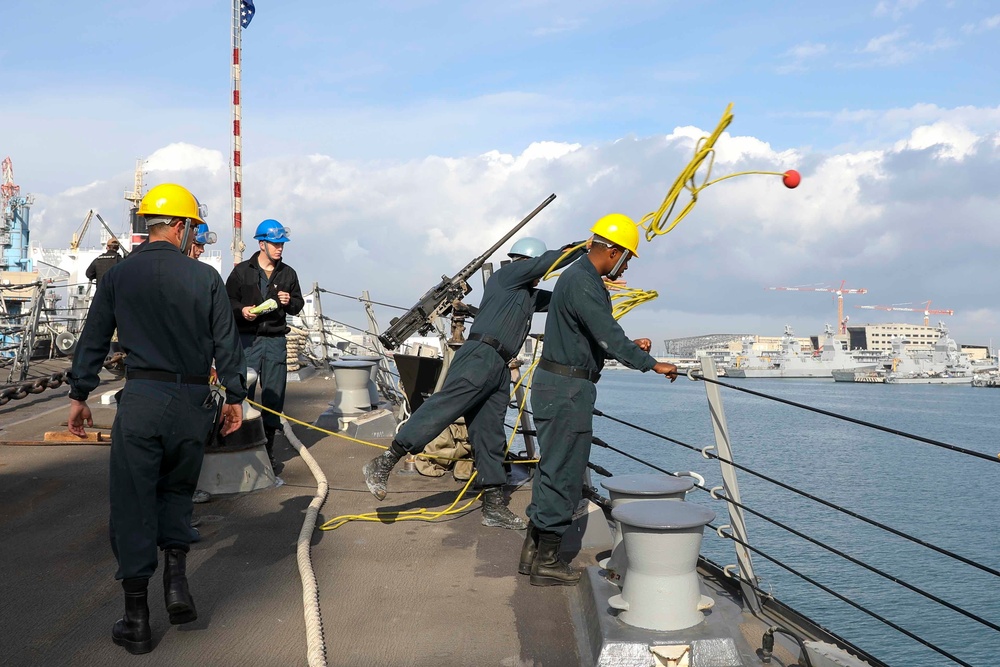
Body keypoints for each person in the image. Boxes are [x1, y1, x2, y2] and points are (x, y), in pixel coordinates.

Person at [66, 183, 247, 655]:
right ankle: (177, 585)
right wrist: (234, 398)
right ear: (184, 226)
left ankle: (137, 618)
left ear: (151, 224)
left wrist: (79, 393)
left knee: (132, 500)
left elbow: (94, 337)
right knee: (176, 492)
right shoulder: (205, 278)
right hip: (191, 402)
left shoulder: (119, 276)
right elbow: (227, 344)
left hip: (143, 395)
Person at [363, 236, 587, 530]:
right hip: (480, 355)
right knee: (443, 408)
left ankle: (493, 505)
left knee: (489, 433)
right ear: (527, 262)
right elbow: (549, 263)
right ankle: (384, 462)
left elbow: (565, 297)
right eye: (536, 265)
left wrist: (596, 281)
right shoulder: (506, 276)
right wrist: (586, 246)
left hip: (499, 365)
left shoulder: (528, 294)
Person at [520, 214, 678, 586]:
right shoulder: (584, 282)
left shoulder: (577, 277)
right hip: (567, 391)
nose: (625, 266)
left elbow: (589, 338)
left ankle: (532, 552)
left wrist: (627, 346)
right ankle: (547, 562)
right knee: (565, 473)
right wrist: (651, 363)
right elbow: (607, 333)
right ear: (613, 251)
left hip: (557, 385)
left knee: (551, 468)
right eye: (626, 258)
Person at [226, 219, 305, 471]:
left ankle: (267, 450)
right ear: (262, 244)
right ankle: (241, 447)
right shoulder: (241, 272)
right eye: (275, 243)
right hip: (247, 339)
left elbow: (298, 305)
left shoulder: (288, 273)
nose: (280, 248)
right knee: (242, 392)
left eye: (282, 244)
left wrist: (288, 300)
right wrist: (243, 310)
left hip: (275, 341)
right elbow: (228, 302)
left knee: (273, 396)